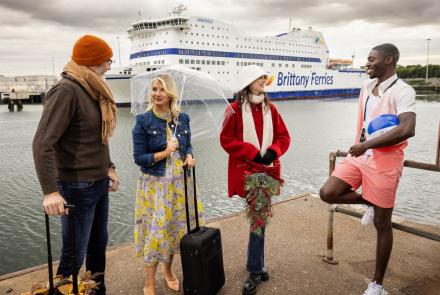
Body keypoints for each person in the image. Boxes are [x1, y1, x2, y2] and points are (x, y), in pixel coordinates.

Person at [319, 43, 416, 295]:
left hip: (385, 161)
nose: (367, 63)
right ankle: (371, 201)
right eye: (367, 59)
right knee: (328, 193)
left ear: (389, 60)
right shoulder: (365, 86)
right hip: (361, 156)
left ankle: (377, 285)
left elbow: (407, 129)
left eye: (372, 59)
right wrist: (363, 147)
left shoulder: (404, 91)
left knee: (383, 225)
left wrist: (367, 145)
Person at [33, 34, 120, 294]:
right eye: (107, 61)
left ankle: (96, 290)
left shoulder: (92, 88)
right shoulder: (67, 90)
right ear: (94, 62)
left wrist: (109, 167)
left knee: (97, 246)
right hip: (76, 187)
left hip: (98, 183)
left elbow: (98, 138)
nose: (109, 67)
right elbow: (42, 144)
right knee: (74, 254)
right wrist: (50, 191)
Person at [220, 65, 291, 295]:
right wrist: (251, 151)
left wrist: (274, 150)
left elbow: (284, 136)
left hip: (268, 171)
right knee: (258, 219)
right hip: (247, 172)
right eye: (259, 77)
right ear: (247, 82)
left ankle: (256, 266)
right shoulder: (233, 110)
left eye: (264, 77)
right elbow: (225, 140)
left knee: (258, 219)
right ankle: (255, 268)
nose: (264, 80)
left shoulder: (272, 109)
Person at [132, 74, 203, 295]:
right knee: (156, 233)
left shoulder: (183, 119)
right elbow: (139, 158)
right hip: (155, 186)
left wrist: (189, 156)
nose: (157, 94)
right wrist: (164, 152)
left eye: (161, 89)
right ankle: (149, 283)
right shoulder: (143, 121)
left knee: (173, 230)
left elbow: (188, 144)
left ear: (170, 92)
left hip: (179, 184)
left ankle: (169, 271)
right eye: (154, 89)